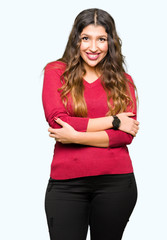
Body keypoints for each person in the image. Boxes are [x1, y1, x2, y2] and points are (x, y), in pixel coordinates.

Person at [42, 8, 140, 240]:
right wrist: (114, 121)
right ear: (76, 40)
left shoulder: (123, 81)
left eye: (102, 39)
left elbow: (125, 136)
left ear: (111, 42)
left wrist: (75, 136)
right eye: (86, 38)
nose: (93, 47)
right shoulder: (56, 72)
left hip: (115, 184)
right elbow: (59, 121)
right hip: (66, 184)